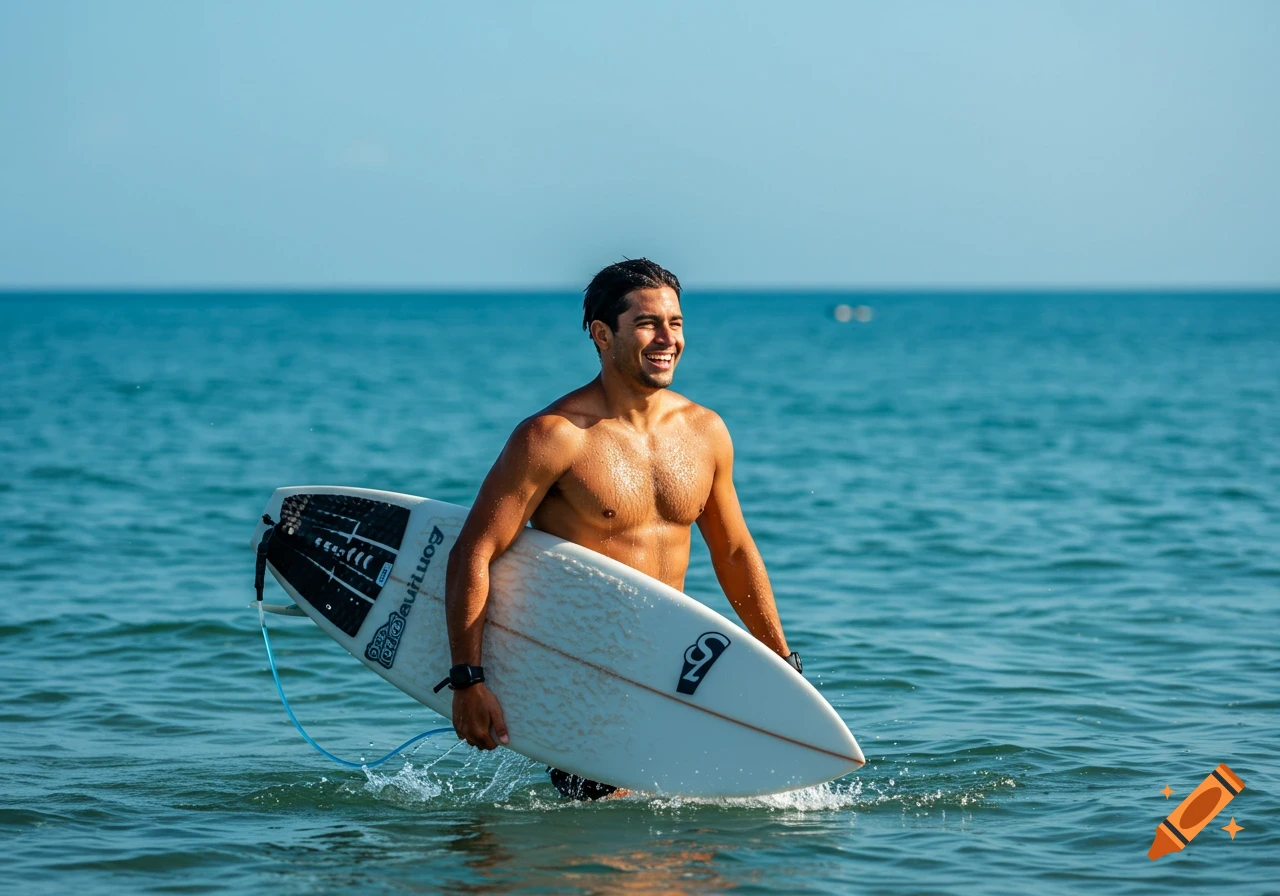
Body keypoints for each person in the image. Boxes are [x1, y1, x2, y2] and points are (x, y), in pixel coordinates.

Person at [442, 258, 801, 799]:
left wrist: (780, 659)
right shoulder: (555, 437)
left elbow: (732, 550)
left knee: (687, 867)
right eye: (648, 323)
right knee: (610, 852)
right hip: (584, 675)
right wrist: (469, 679)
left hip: (671, 672)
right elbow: (475, 551)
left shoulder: (706, 432)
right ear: (602, 334)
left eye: (676, 323)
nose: (667, 338)